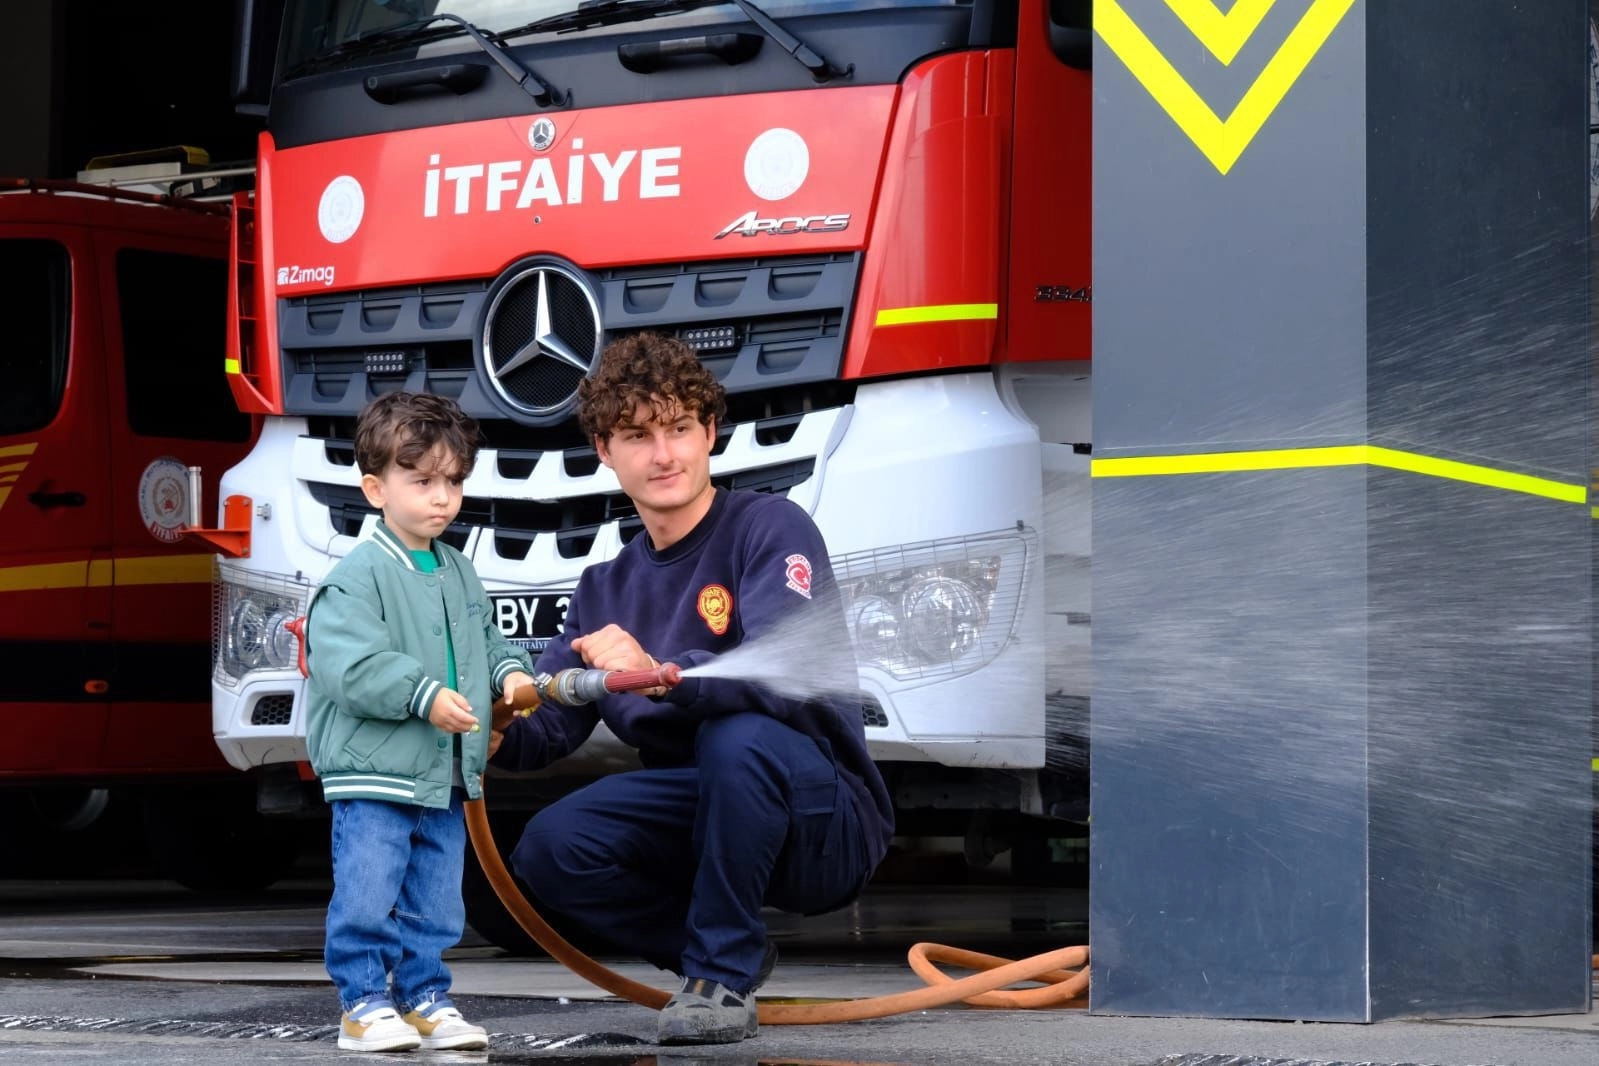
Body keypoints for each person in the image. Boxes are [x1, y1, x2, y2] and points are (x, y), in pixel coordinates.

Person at [489, 332, 896, 1046]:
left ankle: (717, 977)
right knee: (550, 846)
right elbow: (545, 731)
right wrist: (488, 723)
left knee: (736, 736)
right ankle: (710, 953)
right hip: (708, 810)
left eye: (680, 428)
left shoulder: (768, 528)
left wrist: (657, 671)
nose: (665, 455)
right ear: (602, 449)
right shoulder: (602, 588)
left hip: (821, 819)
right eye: (638, 436)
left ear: (710, 433)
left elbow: (783, 675)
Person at [304, 391, 534, 1053]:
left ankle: (425, 996)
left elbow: (487, 640)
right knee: (370, 892)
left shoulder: (458, 569)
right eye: (423, 481)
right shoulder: (358, 576)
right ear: (375, 488)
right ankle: (362, 1004)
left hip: (443, 772)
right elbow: (349, 666)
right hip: (373, 775)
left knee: (436, 902)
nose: (443, 498)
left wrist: (509, 675)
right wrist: (424, 694)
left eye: (454, 481)